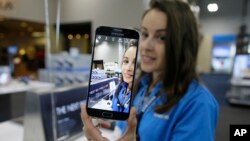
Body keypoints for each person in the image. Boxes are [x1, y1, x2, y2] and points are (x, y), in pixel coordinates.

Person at [81, 0, 219, 141]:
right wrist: (108, 127)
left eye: (161, 37)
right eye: (145, 34)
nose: (146, 46)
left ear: (183, 43)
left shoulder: (198, 103)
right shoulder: (141, 85)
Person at [111, 40, 137, 113]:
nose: (128, 68)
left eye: (135, 63)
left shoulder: (141, 98)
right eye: (126, 61)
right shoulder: (120, 88)